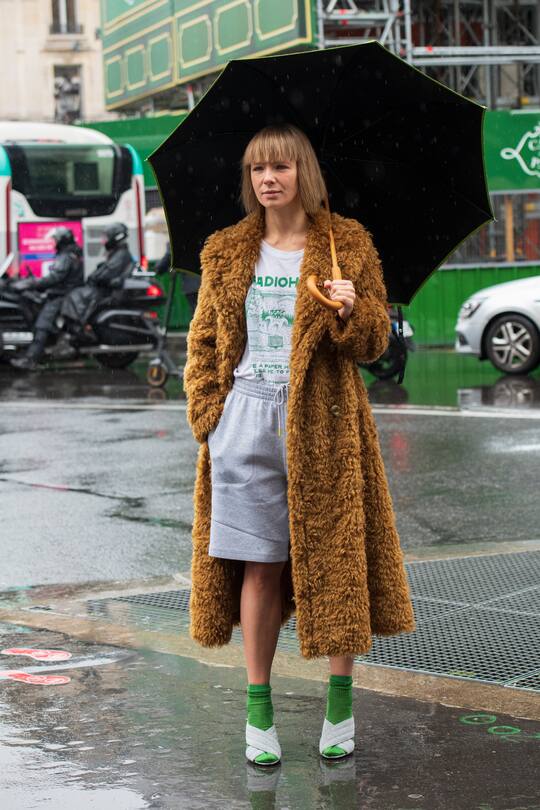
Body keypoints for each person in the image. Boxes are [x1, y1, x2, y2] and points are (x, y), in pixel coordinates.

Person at [183, 124, 416, 766]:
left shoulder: (346, 243)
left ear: (302, 172)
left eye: (280, 166)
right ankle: (259, 711)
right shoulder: (226, 250)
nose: (268, 178)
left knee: (336, 558)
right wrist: (211, 412)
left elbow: (374, 344)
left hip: (325, 418)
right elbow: (205, 341)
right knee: (260, 563)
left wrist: (353, 312)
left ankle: (339, 699)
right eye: (258, 167)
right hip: (246, 417)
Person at [10, 227, 83, 370]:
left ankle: (31, 360)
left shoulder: (66, 256)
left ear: (62, 240)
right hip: (64, 293)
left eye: (55, 240)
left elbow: (56, 277)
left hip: (61, 296)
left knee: (42, 325)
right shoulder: (70, 253)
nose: (54, 242)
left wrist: (32, 283)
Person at [59, 222, 134, 335]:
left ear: (115, 237)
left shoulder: (121, 254)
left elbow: (107, 273)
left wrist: (94, 277)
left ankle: (80, 327)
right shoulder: (118, 253)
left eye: (106, 237)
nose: (103, 241)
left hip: (108, 291)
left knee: (74, 295)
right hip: (107, 288)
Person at [154, 241, 200, 317]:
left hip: (192, 285)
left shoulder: (176, 240)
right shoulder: (198, 238)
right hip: (204, 281)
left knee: (197, 313)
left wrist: (158, 268)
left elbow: (168, 256)